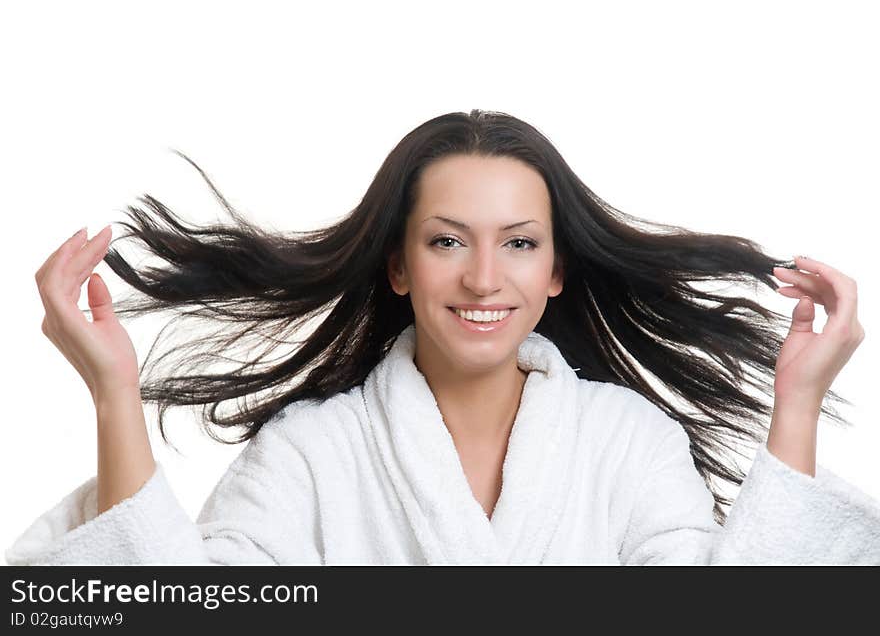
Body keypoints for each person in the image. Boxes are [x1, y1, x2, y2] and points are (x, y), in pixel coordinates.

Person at [8, 109, 880, 565]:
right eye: (447, 240)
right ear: (398, 267)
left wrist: (794, 403)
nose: (483, 279)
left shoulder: (625, 443)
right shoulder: (313, 453)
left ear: (556, 271)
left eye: (520, 243)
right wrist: (115, 392)